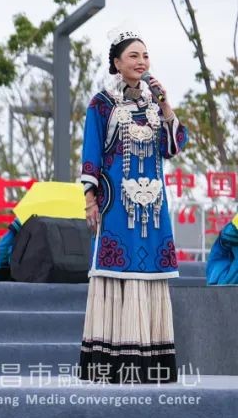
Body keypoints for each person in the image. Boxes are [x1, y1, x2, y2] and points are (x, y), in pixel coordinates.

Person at [79, 30, 187, 384]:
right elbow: (91, 152)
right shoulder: (101, 104)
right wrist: (90, 199)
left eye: (145, 56)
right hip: (116, 203)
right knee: (116, 271)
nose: (141, 62)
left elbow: (174, 146)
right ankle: (111, 361)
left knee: (150, 273)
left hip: (153, 207)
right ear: (116, 63)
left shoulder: (155, 105)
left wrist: (166, 105)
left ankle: (151, 360)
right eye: (133, 56)